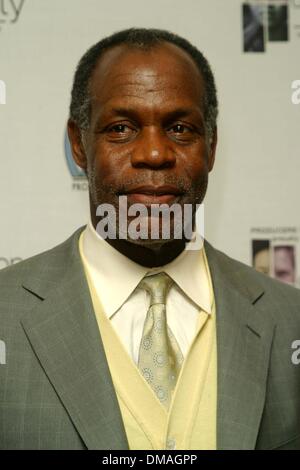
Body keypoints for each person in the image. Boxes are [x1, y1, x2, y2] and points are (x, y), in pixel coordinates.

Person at [0, 28, 299, 451]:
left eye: (180, 128)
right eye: (121, 128)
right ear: (78, 145)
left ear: (211, 146)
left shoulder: (290, 321)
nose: (155, 153)